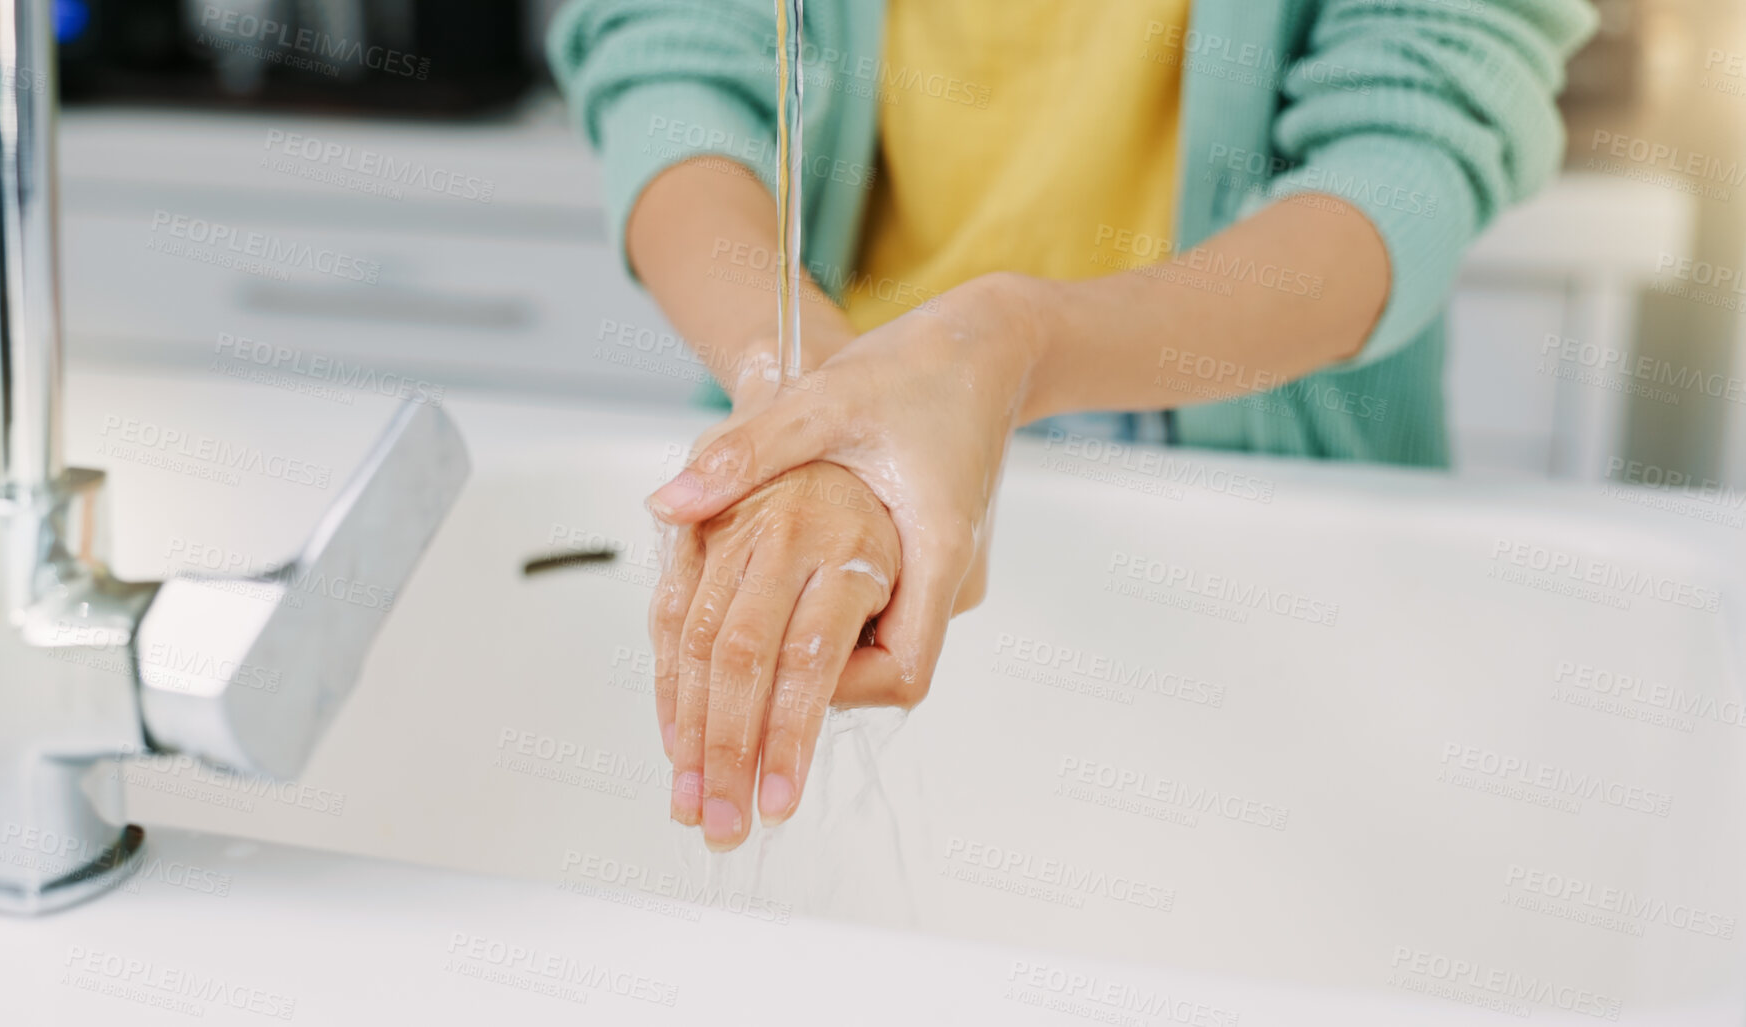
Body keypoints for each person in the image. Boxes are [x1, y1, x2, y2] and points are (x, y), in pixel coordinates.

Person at [549, 0, 1598, 851]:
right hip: (831, 464)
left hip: (1249, 484)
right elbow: (670, 58)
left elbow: (1412, 138)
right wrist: (815, 396)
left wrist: (1013, 348)